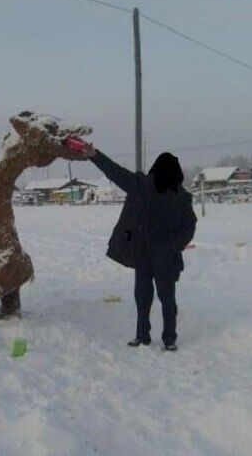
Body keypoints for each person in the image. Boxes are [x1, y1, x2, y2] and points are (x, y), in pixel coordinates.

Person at [76, 141, 197, 351]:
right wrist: (176, 246)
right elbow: (190, 226)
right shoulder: (151, 187)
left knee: (156, 297)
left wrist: (95, 155)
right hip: (147, 252)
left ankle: (161, 338)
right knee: (154, 297)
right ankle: (152, 337)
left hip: (161, 254)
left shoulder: (177, 196)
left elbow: (116, 173)